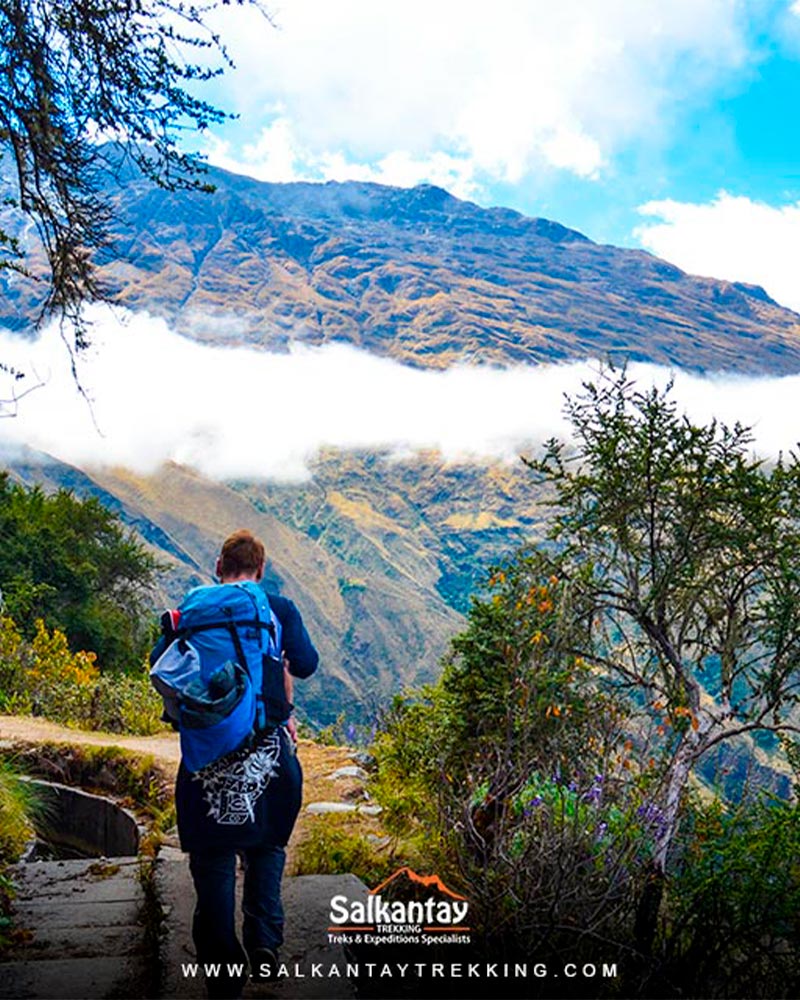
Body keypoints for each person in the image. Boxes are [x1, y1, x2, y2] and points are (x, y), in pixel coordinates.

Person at [153, 529, 319, 999]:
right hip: (270, 759)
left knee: (213, 864)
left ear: (218, 566)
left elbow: (159, 670)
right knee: (267, 852)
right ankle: (265, 950)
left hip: (205, 761)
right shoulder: (277, 609)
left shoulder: (191, 613)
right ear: (260, 572)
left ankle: (223, 971)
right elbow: (306, 664)